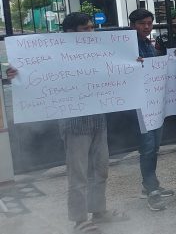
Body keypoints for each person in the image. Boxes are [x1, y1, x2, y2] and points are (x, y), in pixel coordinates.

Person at [6, 13, 130, 233]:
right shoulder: (54, 55)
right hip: (75, 125)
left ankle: (98, 211)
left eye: (92, 28)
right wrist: (17, 75)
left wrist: (131, 64)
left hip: (98, 120)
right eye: (86, 29)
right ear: (70, 33)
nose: (91, 32)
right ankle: (79, 219)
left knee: (101, 169)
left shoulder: (98, 52)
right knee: (79, 174)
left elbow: (116, 70)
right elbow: (34, 75)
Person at [129, 8, 174, 212]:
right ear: (132, 25)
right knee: (147, 148)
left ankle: (150, 184)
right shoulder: (128, 46)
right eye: (142, 24)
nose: (147, 27)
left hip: (154, 104)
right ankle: (151, 189)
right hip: (140, 107)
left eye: (149, 23)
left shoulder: (149, 44)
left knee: (154, 146)